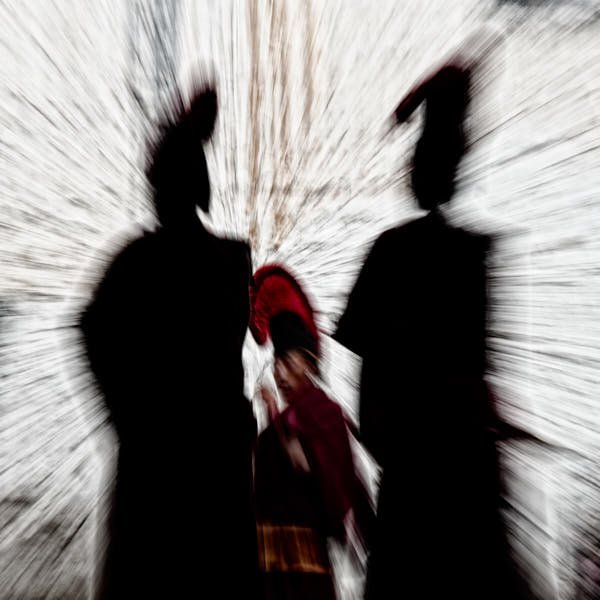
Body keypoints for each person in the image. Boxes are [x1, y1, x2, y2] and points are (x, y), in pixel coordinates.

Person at [334, 60, 526, 599]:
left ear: (414, 173)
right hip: (467, 491)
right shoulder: (477, 255)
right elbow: (479, 374)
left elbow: (366, 387)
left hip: (410, 490)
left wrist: (391, 453)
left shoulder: (387, 253)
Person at [80, 83, 260, 598]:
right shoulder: (233, 262)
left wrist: (124, 420)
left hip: (152, 475)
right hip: (218, 473)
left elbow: (89, 332)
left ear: (156, 187)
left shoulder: (131, 264)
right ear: (199, 185)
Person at [250, 265, 371, 600]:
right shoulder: (286, 420)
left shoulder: (324, 413)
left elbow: (311, 466)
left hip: (307, 570)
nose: (281, 374)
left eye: (289, 363)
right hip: (268, 569)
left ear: (309, 365)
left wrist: (276, 418)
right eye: (277, 364)